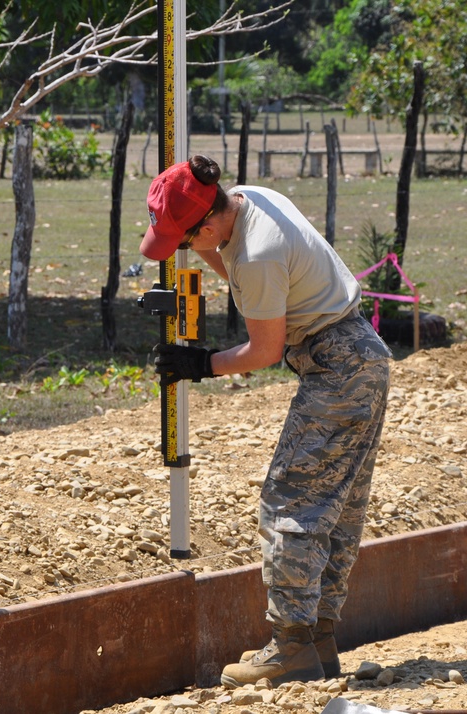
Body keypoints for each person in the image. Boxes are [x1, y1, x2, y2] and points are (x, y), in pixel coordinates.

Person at [141, 155, 391, 688]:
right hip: (359, 355)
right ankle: (318, 638)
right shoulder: (252, 199)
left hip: (336, 364)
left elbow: (265, 349)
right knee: (336, 506)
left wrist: (201, 364)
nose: (185, 251)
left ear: (208, 224)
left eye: (186, 242)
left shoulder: (257, 254)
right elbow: (231, 261)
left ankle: (291, 646)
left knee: (291, 501)